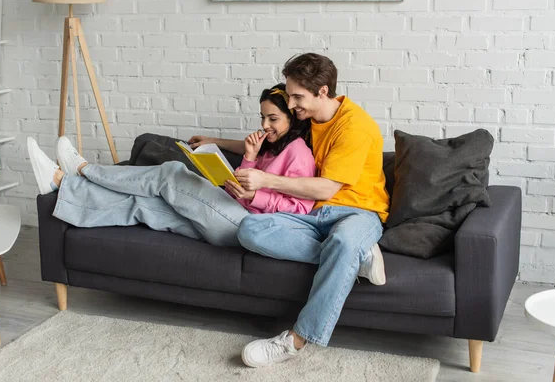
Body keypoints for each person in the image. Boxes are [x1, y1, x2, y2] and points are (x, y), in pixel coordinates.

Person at [192, 53, 390, 368]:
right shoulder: (310, 118)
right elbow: (270, 140)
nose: (292, 103)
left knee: (344, 241)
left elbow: (327, 188)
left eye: (298, 96)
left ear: (323, 91)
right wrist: (215, 141)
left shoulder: (355, 126)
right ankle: (357, 255)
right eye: (291, 94)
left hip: (357, 212)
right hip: (314, 217)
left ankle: (294, 340)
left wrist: (265, 179)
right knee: (250, 229)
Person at [27, 83, 316, 246]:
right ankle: (60, 186)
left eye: (273, 119)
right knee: (143, 206)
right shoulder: (268, 147)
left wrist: (257, 196)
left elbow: (302, 210)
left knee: (171, 174)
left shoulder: (298, 152)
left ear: (293, 118)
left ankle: (82, 171)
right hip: (228, 214)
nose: (265, 125)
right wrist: (250, 156)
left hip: (249, 226)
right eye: (262, 118)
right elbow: (241, 186)